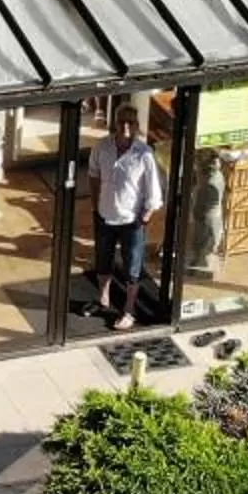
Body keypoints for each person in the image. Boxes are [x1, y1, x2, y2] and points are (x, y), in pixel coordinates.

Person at [85, 100, 164, 330]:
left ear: (136, 124)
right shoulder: (102, 146)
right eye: (122, 122)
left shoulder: (144, 154)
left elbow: (153, 192)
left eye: (130, 122)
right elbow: (93, 174)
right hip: (105, 214)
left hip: (131, 220)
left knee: (132, 266)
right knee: (103, 259)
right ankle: (103, 298)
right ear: (115, 123)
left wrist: (145, 216)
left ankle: (129, 308)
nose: (125, 126)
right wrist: (95, 204)